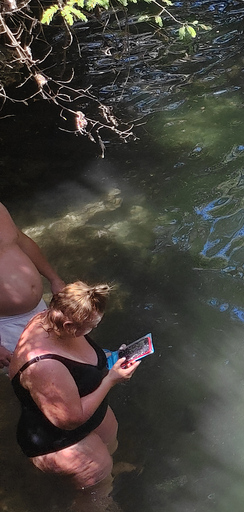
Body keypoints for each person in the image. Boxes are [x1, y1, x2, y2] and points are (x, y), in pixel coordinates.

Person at [8, 281, 140, 490]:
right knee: (99, 488)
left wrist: (111, 358)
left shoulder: (53, 319)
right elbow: (69, 421)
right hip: (55, 438)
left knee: (109, 449)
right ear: (70, 326)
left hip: (82, 408)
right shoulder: (44, 366)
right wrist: (111, 380)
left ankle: (112, 470)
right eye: (92, 326)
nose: (93, 329)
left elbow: (79, 361)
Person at [0, 201, 66, 368]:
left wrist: (54, 279)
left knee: (72, 361)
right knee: (48, 381)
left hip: (39, 308)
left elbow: (23, 242)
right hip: (7, 326)